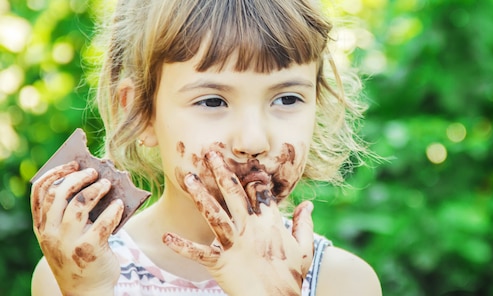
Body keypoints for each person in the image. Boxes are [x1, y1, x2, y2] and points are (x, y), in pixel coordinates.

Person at [30, 0, 382, 295]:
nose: (253, 141)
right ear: (140, 113)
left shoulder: (342, 282)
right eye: (213, 102)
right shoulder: (81, 270)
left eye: (287, 98)